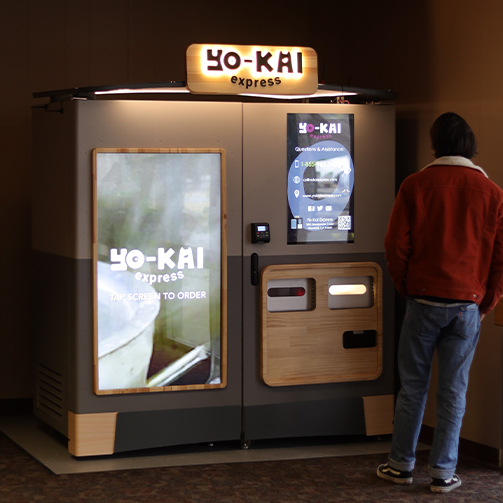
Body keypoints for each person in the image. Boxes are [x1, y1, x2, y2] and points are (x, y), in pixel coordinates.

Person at [377, 112, 503, 493]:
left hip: (422, 300)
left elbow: (395, 244)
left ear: (436, 144)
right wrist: (487, 303)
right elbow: (500, 257)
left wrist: (405, 284)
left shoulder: (415, 185)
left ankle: (401, 464)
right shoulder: (493, 193)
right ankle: (443, 473)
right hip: (467, 304)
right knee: (454, 391)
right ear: (471, 146)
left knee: (413, 387)